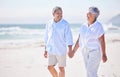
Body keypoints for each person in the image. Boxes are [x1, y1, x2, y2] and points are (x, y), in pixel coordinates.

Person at [69, 7, 107, 77]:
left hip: (95, 51)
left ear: (95, 15)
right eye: (87, 13)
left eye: (89, 13)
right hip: (84, 51)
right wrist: (73, 51)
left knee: (90, 71)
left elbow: (102, 41)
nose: (87, 14)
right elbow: (79, 39)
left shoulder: (98, 26)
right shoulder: (83, 26)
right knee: (90, 72)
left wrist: (104, 54)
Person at [44, 6, 73, 77]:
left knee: (61, 68)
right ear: (53, 14)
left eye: (61, 13)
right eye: (58, 13)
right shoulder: (49, 23)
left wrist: (70, 50)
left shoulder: (65, 24)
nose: (60, 15)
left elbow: (69, 37)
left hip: (61, 49)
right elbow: (46, 37)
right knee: (50, 67)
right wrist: (45, 49)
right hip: (51, 50)